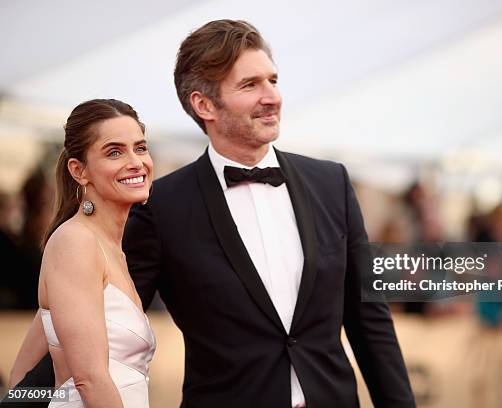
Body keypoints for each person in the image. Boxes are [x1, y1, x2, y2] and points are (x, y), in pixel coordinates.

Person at [10, 20, 415, 407]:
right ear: (204, 104)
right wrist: (18, 401)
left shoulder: (332, 183)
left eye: (273, 80)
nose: (271, 96)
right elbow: (91, 323)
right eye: (250, 84)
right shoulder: (160, 208)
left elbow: (371, 321)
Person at [7, 99, 155, 407]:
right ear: (79, 170)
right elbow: (90, 379)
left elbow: (22, 377)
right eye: (115, 151)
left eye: (140, 148)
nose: (135, 162)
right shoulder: (75, 243)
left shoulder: (106, 247)